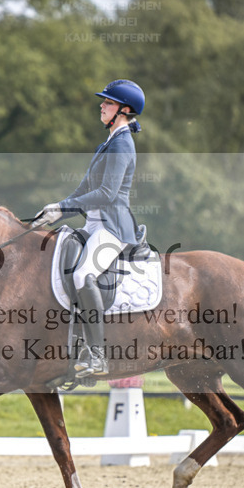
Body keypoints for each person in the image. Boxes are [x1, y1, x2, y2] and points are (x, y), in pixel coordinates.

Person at [32, 79, 145, 377]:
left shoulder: (122, 144)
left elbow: (107, 194)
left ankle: (98, 355)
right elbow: (84, 188)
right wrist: (56, 210)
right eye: (103, 101)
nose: (101, 105)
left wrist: (64, 208)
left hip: (113, 228)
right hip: (93, 224)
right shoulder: (106, 144)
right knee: (55, 257)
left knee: (84, 274)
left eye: (107, 102)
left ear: (124, 110)